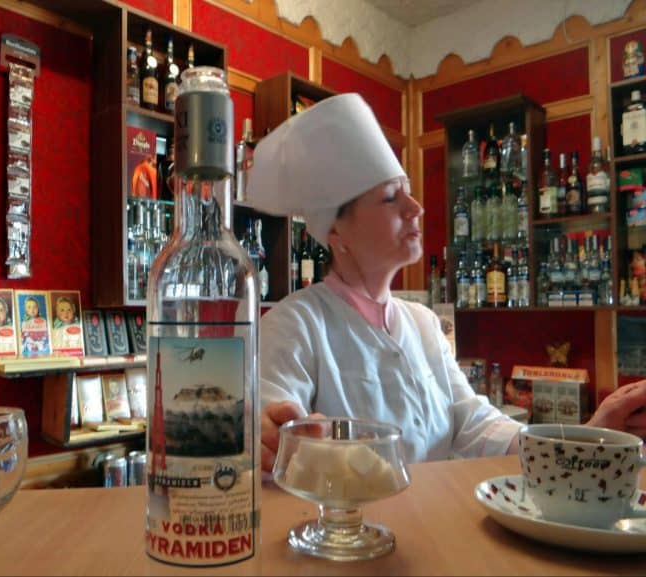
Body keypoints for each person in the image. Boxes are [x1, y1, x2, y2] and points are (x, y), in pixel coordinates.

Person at [246, 92, 646, 472]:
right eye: (391, 197)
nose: (416, 208)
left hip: (433, 519)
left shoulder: (422, 323)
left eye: (409, 193)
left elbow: (474, 423)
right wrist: (267, 435)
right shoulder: (295, 324)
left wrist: (586, 438)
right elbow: (270, 424)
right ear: (336, 231)